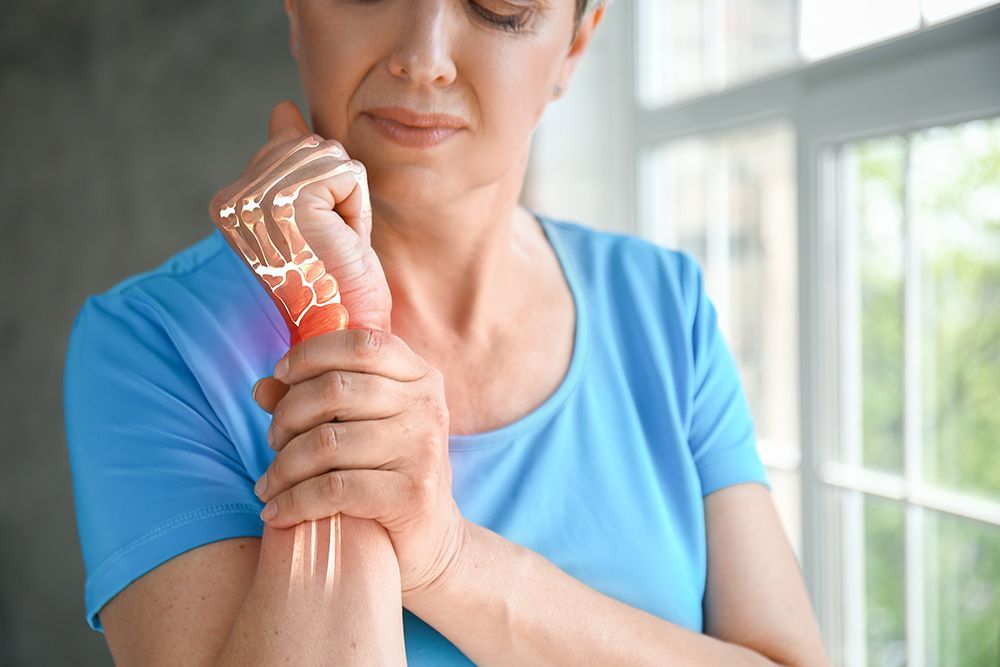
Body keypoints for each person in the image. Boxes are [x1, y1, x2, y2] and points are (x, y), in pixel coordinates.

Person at [63, 0, 831, 664]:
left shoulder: (665, 305)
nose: (422, 57)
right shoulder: (151, 346)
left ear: (575, 42)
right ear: (296, 10)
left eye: (499, 5)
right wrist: (332, 323)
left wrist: (451, 561)